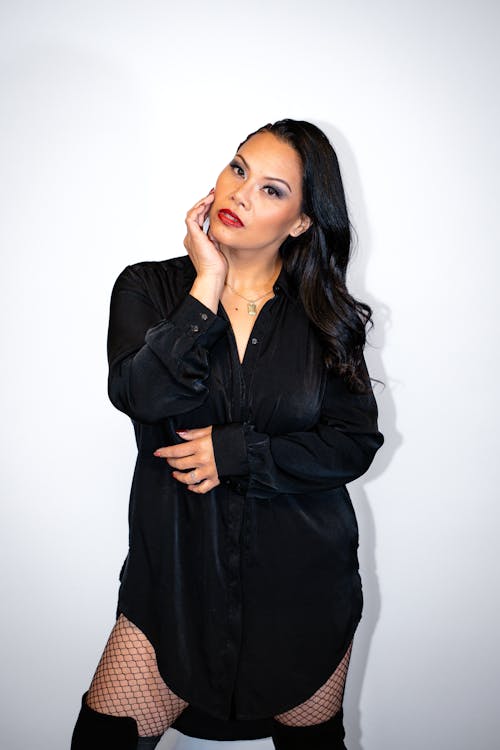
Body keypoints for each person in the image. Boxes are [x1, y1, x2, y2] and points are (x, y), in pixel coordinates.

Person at [71, 119, 384, 750]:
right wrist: (205, 283)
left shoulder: (323, 314)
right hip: (174, 587)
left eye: (272, 190)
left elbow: (354, 441)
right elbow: (139, 395)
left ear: (300, 222)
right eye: (238, 169)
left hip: (302, 588)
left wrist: (238, 452)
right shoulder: (149, 289)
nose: (240, 195)